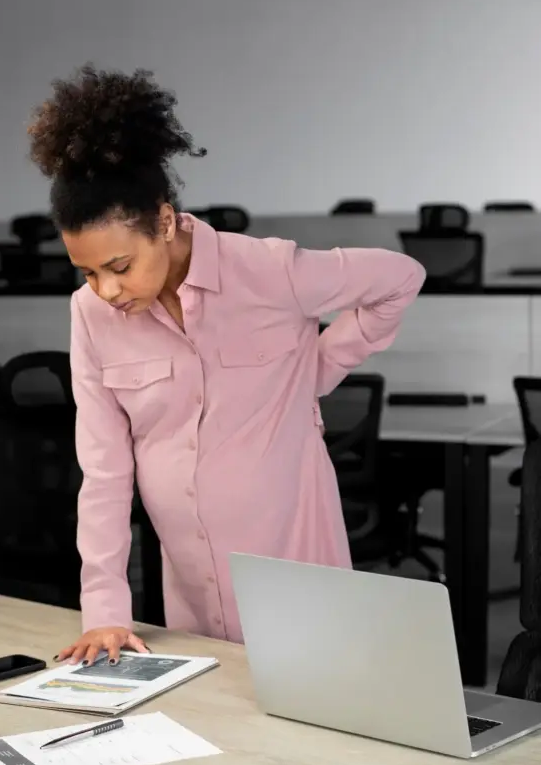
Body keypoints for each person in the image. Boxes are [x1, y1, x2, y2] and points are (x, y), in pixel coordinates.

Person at [27, 64, 425, 666]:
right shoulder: (91, 315)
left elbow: (400, 278)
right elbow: (104, 469)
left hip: (296, 568)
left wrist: (313, 372)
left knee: (315, 707)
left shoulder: (270, 271)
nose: (106, 290)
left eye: (119, 266)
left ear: (164, 222)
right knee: (213, 716)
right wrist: (105, 609)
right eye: (87, 272)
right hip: (192, 585)